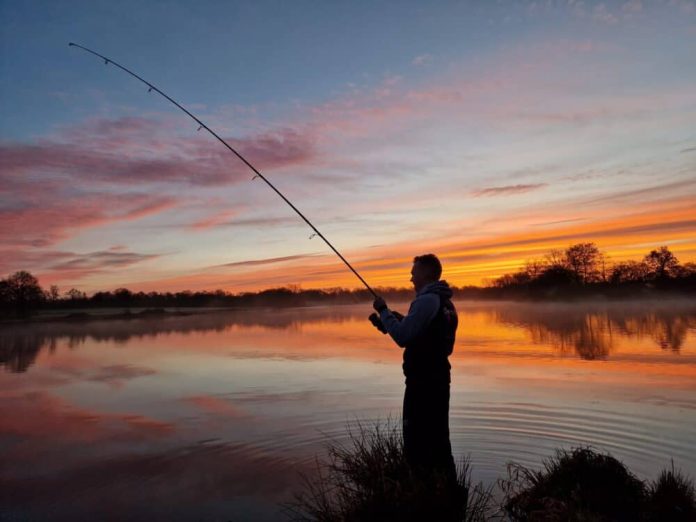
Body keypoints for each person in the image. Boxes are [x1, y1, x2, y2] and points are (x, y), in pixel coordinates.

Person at [369, 253, 458, 483]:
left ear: (426, 274)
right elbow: (422, 333)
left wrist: (384, 311)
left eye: (414, 273)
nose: (411, 278)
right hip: (438, 378)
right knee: (438, 440)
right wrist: (391, 322)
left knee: (416, 441)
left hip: (423, 383)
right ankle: (448, 495)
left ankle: (421, 494)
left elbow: (403, 336)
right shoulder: (445, 303)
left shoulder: (427, 300)